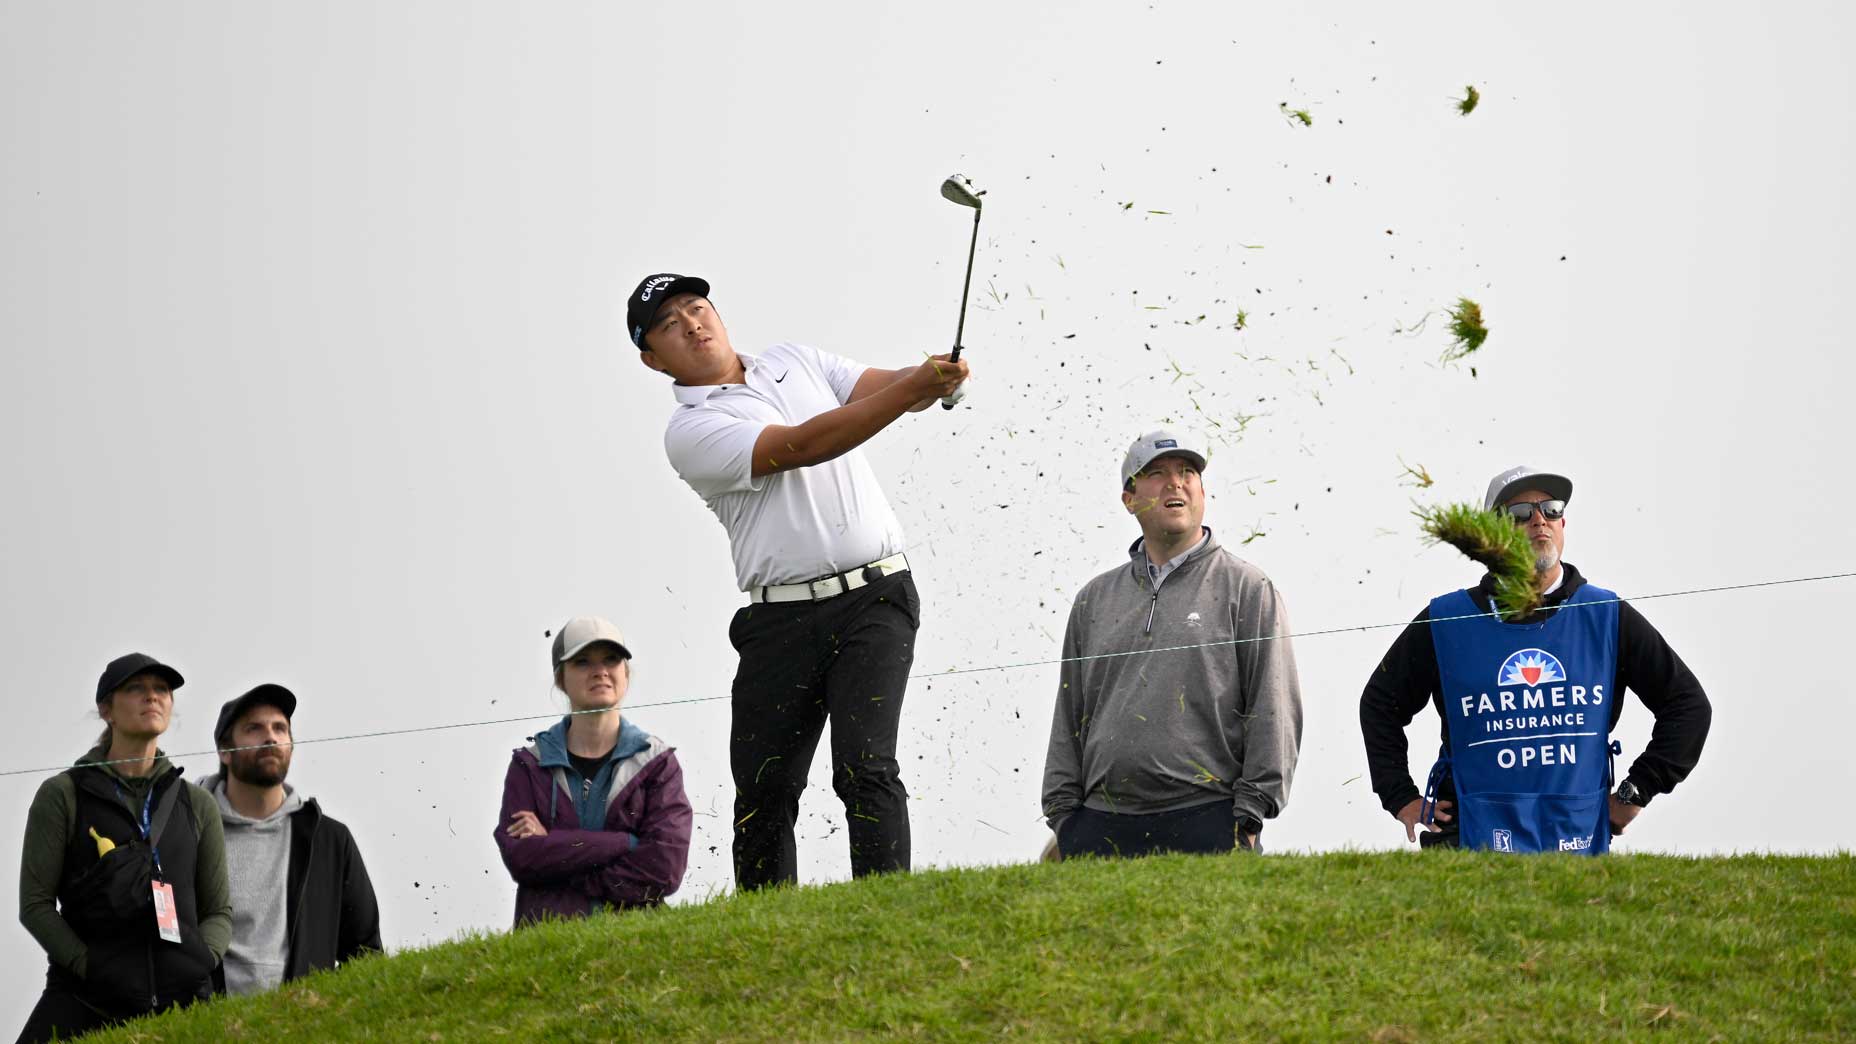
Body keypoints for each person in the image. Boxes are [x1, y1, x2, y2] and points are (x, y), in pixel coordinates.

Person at [628, 272, 969, 889]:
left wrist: (930, 377)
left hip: (877, 598)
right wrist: (912, 389)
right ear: (654, 360)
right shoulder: (690, 432)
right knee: (765, 790)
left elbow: (888, 388)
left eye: (697, 308)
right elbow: (802, 445)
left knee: (866, 766)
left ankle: (890, 915)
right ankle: (769, 934)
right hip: (779, 621)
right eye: (670, 325)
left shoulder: (794, 361)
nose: (693, 324)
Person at [1358, 465, 1713, 853]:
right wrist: (1400, 797)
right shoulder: (1448, 618)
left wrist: (1636, 792)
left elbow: (1688, 705)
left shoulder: (1605, 614)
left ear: (1563, 523)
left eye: (1551, 509)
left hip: (1577, 840)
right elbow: (1380, 704)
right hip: (1468, 839)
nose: (1539, 520)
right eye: (1520, 514)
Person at [1042, 430, 1304, 858]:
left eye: (1187, 473)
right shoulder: (1094, 599)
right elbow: (1069, 713)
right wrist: (1064, 815)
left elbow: (1274, 708)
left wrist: (1251, 816)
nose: (1175, 483)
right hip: (1100, 822)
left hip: (1210, 817)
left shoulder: (1248, 588)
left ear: (1203, 493)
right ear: (1129, 498)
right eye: (1156, 474)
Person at [16, 653, 232, 1044]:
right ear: (106, 710)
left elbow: (219, 911)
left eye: (161, 690)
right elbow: (35, 905)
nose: (152, 697)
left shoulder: (197, 803)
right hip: (84, 1002)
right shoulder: (63, 795)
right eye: (136, 689)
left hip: (183, 1008)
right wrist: (88, 966)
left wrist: (203, 960)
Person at [496, 617, 691, 925]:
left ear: (625, 673)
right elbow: (522, 858)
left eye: (611, 660)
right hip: (547, 950)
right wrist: (623, 844)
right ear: (561, 679)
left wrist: (558, 852)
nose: (600, 671)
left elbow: (664, 870)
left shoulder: (657, 763)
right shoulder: (529, 765)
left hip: (638, 944)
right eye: (583, 662)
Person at [200, 683, 381, 995]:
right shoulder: (191, 831)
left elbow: (365, 952)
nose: (270, 737)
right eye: (254, 728)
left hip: (302, 1026)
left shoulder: (329, 839)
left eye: (280, 729)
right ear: (225, 752)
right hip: (206, 1026)